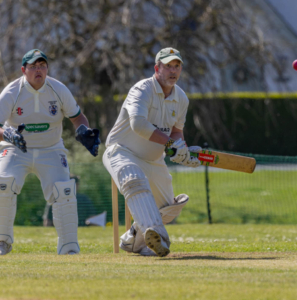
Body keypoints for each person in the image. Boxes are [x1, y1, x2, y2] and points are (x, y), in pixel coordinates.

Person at [103, 47, 201, 257]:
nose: (173, 71)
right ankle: (159, 237)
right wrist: (170, 144)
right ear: (157, 68)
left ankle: (132, 241)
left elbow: (176, 132)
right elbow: (138, 124)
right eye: (168, 66)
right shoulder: (141, 89)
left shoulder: (181, 98)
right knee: (133, 177)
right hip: (121, 151)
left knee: (169, 207)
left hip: (154, 158)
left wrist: (182, 152)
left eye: (177, 66)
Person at [0, 49, 100, 255]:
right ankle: (2, 242)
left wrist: (83, 130)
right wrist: (8, 135)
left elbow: (77, 116)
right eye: (33, 66)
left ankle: (69, 247)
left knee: (64, 191)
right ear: (23, 70)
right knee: (3, 184)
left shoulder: (58, 89)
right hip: (16, 148)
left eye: (42, 66)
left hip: (51, 149)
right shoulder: (11, 92)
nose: (39, 70)